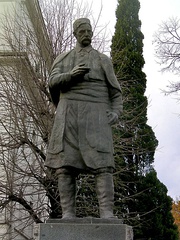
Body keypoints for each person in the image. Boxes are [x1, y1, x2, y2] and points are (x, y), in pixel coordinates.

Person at [45, 18, 123, 219]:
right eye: (82, 31)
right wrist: (71, 75)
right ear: (75, 34)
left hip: (97, 116)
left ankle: (106, 212)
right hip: (69, 115)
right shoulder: (64, 59)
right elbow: (52, 83)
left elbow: (116, 93)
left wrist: (115, 112)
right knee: (65, 167)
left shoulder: (103, 60)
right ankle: (68, 213)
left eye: (89, 31)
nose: (86, 34)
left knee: (103, 165)